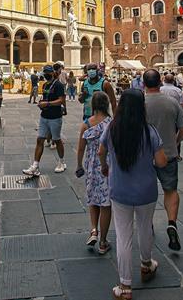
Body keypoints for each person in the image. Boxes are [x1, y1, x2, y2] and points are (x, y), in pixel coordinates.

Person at [99, 89, 167, 299]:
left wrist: (105, 167)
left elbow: (101, 152)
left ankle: (125, 286)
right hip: (146, 190)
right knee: (145, 228)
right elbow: (162, 161)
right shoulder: (150, 131)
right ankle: (146, 265)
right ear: (141, 107)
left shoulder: (112, 129)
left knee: (123, 236)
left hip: (120, 190)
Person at [143, 69, 183, 251]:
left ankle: (148, 224)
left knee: (147, 192)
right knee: (170, 190)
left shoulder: (140, 104)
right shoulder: (172, 103)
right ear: (159, 82)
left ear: (144, 84)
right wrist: (174, 143)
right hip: (168, 154)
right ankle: (171, 223)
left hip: (145, 157)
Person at [75, 91, 112, 254]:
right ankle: (103, 242)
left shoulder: (86, 124)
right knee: (105, 203)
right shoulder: (112, 123)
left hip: (91, 165)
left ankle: (93, 230)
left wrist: (79, 165)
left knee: (92, 200)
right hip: (107, 166)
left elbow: (81, 148)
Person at [24, 65, 67, 175]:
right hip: (44, 116)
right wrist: (41, 103)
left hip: (55, 117)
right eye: (45, 72)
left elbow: (61, 100)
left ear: (53, 73)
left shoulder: (58, 85)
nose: (46, 74)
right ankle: (35, 165)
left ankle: (61, 162)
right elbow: (46, 98)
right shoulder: (45, 85)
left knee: (57, 140)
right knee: (40, 139)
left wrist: (47, 103)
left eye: (48, 72)